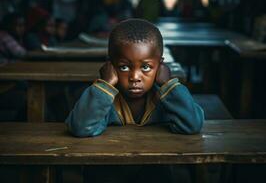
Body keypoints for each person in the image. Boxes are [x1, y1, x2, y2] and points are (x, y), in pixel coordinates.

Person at [65, 18, 204, 183]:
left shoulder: (166, 96)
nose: (135, 77)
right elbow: (80, 127)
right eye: (124, 67)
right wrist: (105, 85)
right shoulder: (104, 96)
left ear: (160, 67)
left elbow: (192, 124)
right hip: (107, 170)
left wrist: (169, 84)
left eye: (146, 67)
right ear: (110, 66)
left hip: (153, 171)